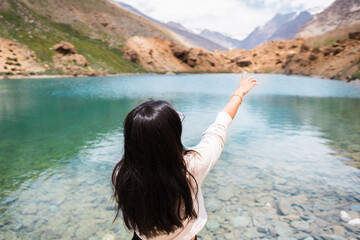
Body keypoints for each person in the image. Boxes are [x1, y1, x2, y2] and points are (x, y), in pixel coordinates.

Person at [112, 72, 259, 240]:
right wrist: (239, 93)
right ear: (171, 136)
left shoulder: (121, 174)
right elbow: (220, 126)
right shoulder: (192, 166)